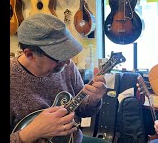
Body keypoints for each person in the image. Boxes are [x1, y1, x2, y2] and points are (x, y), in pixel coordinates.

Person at [10, 13, 107, 143]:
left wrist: (94, 98)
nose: (67, 62)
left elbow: (82, 111)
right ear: (30, 54)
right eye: (59, 57)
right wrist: (31, 132)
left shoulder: (67, 67)